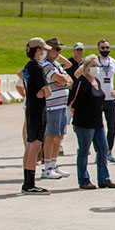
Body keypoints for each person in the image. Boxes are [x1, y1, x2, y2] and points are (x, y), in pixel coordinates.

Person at [68, 55, 115, 190]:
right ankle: (83, 179)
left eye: (97, 66)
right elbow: (72, 103)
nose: (96, 68)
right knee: (84, 151)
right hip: (84, 123)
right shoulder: (81, 82)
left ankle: (104, 179)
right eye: (92, 66)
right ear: (85, 68)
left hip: (98, 122)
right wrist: (77, 118)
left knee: (103, 149)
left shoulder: (96, 81)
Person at [22, 38, 53, 195]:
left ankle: (27, 181)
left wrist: (42, 92)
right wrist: (44, 92)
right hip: (38, 111)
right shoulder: (37, 68)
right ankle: (30, 183)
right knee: (35, 146)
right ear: (37, 50)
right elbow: (47, 91)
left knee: (29, 145)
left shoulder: (27, 68)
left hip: (30, 108)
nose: (44, 52)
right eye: (42, 50)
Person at [40, 38, 73, 180]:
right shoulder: (46, 65)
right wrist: (64, 80)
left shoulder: (56, 64)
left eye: (60, 50)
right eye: (56, 49)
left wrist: (64, 80)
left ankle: (54, 164)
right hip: (52, 105)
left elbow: (69, 80)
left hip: (62, 104)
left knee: (59, 136)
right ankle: (47, 166)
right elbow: (59, 79)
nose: (59, 52)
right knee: (51, 136)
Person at [95, 39, 115, 162]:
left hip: (110, 99)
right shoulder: (95, 61)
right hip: (98, 99)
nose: (105, 50)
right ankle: (98, 152)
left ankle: (109, 151)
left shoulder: (112, 61)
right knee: (97, 127)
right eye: (103, 48)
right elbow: (80, 73)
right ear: (98, 49)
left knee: (111, 128)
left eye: (107, 47)